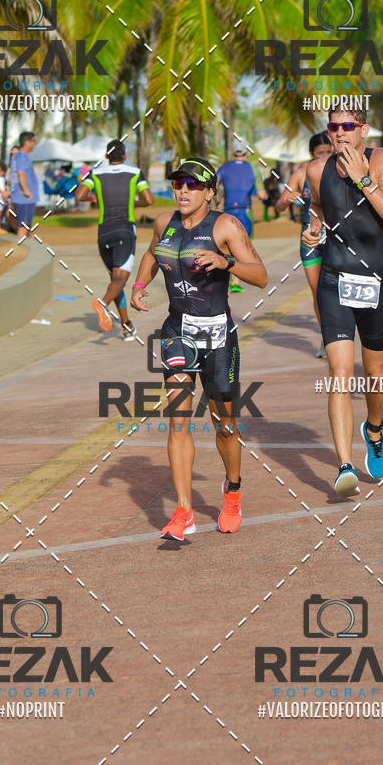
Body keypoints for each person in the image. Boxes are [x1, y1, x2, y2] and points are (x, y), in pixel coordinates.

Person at [130, 158, 268, 540]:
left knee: (225, 424)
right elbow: (150, 255)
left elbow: (260, 275)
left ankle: (233, 490)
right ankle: (184, 511)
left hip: (218, 334)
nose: (184, 191)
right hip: (178, 331)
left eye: (193, 185)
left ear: (210, 192)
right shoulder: (164, 222)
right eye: (178, 184)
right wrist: (139, 286)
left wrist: (226, 262)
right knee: (177, 421)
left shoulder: (225, 225)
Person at [303, 108, 383, 496]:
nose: (340, 133)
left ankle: (375, 429)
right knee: (341, 374)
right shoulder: (317, 170)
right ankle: (345, 465)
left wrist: (365, 179)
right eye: (333, 127)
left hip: (376, 279)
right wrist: (314, 232)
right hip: (334, 279)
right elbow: (317, 210)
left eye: (348, 126)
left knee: (375, 371)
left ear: (363, 129)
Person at [75, 139, 153, 341]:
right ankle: (103, 303)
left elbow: (79, 194)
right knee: (120, 280)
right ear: (125, 156)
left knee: (115, 281)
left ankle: (127, 325)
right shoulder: (135, 172)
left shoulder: (97, 173)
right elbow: (149, 199)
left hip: (104, 233)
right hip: (125, 229)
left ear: (107, 156)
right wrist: (134, 203)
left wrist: (94, 199)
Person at [277, 132, 333, 358]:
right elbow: (278, 206)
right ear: (312, 155)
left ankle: (341, 333)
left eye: (329, 152)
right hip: (310, 236)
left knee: (336, 291)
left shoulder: (341, 170)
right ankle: (327, 338)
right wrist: (285, 200)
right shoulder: (302, 173)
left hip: (336, 236)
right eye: (320, 153)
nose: (325, 156)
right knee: (318, 292)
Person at [217, 140, 267, 292]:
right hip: (245, 211)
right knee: (243, 246)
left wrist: (217, 202)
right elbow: (261, 194)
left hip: (227, 210)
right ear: (247, 151)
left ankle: (230, 279)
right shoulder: (253, 169)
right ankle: (236, 281)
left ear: (233, 152)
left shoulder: (224, 168)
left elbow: (213, 187)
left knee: (227, 246)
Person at [10, 132, 38, 236]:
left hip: (24, 198)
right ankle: (17, 250)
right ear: (27, 142)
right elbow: (21, 174)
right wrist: (26, 191)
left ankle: (23, 249)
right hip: (24, 199)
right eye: (34, 141)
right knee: (24, 227)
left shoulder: (20, 156)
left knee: (26, 228)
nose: (35, 143)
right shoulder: (21, 156)